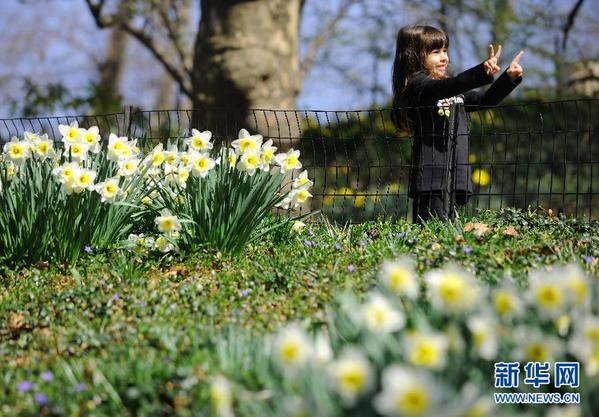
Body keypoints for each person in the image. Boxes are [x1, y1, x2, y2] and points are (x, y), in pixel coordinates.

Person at [391, 25, 524, 225]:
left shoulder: (449, 90)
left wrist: (508, 78)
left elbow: (484, 100)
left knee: (449, 233)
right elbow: (449, 86)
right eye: (436, 52)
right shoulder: (419, 87)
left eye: (445, 51)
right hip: (431, 177)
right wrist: (481, 71)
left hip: (455, 172)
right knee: (432, 232)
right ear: (414, 56)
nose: (444, 57)